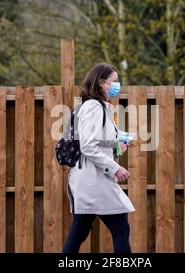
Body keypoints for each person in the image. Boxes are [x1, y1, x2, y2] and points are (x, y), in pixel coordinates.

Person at [62, 63, 135, 253]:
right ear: (101, 83)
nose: (117, 85)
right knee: (120, 229)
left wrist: (119, 145)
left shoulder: (102, 108)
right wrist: (115, 168)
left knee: (79, 232)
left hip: (92, 180)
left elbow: (100, 142)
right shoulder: (94, 107)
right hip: (93, 181)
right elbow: (88, 145)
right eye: (114, 81)